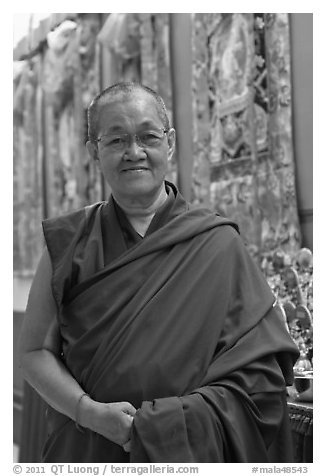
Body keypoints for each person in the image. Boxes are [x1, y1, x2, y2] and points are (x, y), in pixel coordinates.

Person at [19, 82, 299, 463]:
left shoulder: (216, 241)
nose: (134, 152)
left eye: (147, 136)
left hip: (192, 452)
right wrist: (89, 412)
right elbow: (35, 351)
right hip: (91, 447)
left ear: (169, 143)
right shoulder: (68, 242)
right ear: (93, 151)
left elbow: (262, 372)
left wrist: (176, 422)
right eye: (116, 140)